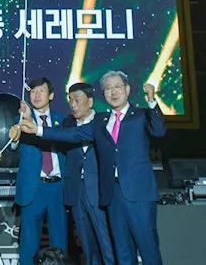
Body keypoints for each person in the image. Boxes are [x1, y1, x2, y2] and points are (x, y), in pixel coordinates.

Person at [17, 71, 165, 265]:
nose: (113, 92)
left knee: (148, 249)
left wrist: (152, 102)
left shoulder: (140, 116)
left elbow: (159, 130)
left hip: (138, 194)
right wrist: (37, 129)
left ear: (127, 89)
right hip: (111, 194)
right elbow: (73, 135)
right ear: (103, 94)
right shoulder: (100, 122)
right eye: (108, 89)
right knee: (122, 251)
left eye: (117, 87)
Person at [10, 77, 68, 265]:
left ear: (51, 95)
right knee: (28, 244)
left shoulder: (63, 120)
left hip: (58, 188)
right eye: (33, 92)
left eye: (41, 91)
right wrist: (16, 136)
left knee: (60, 241)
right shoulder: (21, 121)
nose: (36, 95)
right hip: (33, 189)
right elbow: (13, 147)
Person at [61, 83, 115, 265]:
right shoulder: (66, 124)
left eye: (77, 100)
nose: (73, 104)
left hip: (99, 190)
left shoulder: (104, 121)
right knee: (86, 245)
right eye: (70, 100)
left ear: (90, 102)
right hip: (77, 191)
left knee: (106, 242)